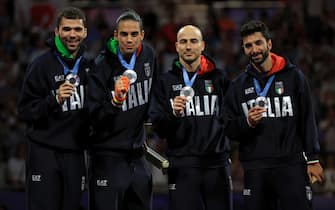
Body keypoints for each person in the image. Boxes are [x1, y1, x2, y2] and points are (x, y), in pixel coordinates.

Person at [223, 20, 324, 210]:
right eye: (248, 46)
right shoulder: (238, 86)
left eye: (258, 43)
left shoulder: (294, 77)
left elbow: (307, 118)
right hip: (256, 169)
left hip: (292, 165)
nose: (254, 49)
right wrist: (247, 122)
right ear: (244, 49)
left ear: (269, 44)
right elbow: (227, 127)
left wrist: (313, 159)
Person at [149, 25, 232, 210]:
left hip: (216, 165)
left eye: (193, 41)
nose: (188, 46)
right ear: (177, 46)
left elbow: (231, 120)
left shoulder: (220, 79)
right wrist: (173, 114)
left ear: (202, 45)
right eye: (184, 42)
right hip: (181, 165)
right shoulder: (165, 82)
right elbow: (158, 127)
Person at [17, 7, 90, 210]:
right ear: (57, 31)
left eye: (77, 29)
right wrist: (54, 98)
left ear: (85, 32)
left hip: (75, 154)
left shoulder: (90, 67)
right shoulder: (40, 65)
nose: (72, 34)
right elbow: (24, 110)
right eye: (66, 29)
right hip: (44, 153)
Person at [87, 9, 157, 210]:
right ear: (115, 35)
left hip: (138, 157)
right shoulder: (100, 66)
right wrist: (115, 102)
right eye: (124, 34)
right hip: (107, 158)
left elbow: (152, 92)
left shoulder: (149, 55)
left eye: (134, 34)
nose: (129, 39)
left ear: (142, 35)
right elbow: (93, 118)